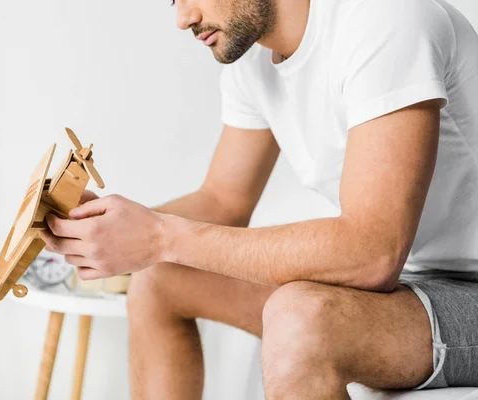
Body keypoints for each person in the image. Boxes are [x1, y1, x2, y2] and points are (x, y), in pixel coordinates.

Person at [39, 0, 478, 398]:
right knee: (159, 278)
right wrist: (94, 227)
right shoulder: (252, 68)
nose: (182, 18)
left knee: (298, 321)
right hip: (412, 287)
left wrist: (160, 236)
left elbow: (371, 253)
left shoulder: (384, 21)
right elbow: (222, 201)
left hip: (467, 291)